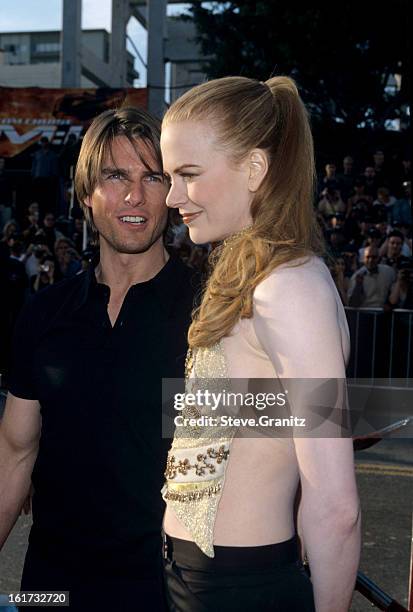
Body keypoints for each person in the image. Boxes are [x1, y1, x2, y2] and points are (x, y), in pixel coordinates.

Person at [160, 76, 360, 612]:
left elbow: (336, 504)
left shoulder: (290, 289)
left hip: (238, 588)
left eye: (189, 176)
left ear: (253, 169)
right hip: (199, 578)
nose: (172, 197)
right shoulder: (256, 275)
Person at [0, 107, 198, 611]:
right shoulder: (45, 313)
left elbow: (292, 429)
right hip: (50, 589)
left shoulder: (211, 313)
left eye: (153, 177)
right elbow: (15, 453)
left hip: (163, 592)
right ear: (87, 192)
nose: (135, 195)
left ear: (172, 194)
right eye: (116, 176)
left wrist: (339, 411)